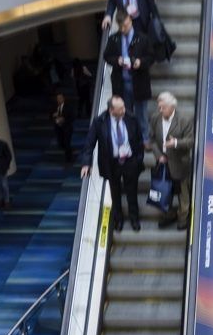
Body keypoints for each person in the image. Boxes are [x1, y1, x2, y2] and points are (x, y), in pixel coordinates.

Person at [81, 96, 144, 232]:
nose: (124, 110)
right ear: (111, 110)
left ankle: (134, 218)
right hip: (111, 163)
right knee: (115, 193)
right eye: (120, 108)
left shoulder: (131, 118)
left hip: (129, 161)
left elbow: (139, 140)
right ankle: (118, 219)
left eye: (123, 107)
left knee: (131, 192)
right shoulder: (100, 122)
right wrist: (87, 163)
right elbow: (89, 143)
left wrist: (139, 158)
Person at [104, 12, 154, 146]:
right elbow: (107, 56)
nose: (123, 29)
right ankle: (131, 138)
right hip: (122, 82)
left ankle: (144, 137)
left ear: (130, 21)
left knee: (141, 112)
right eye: (121, 27)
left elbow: (150, 57)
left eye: (125, 26)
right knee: (125, 113)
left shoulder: (142, 38)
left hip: (139, 81)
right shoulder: (114, 39)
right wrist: (117, 60)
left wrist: (140, 62)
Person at [150, 92, 194, 229]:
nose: (160, 110)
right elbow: (151, 139)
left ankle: (182, 218)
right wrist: (158, 155)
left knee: (183, 193)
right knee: (164, 192)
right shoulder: (155, 118)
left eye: (163, 107)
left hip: (180, 163)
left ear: (171, 107)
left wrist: (175, 143)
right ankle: (168, 214)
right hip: (163, 163)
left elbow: (190, 141)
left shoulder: (184, 120)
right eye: (159, 107)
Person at [52, 92, 75, 162]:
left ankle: (69, 158)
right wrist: (53, 115)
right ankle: (68, 151)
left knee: (67, 143)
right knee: (61, 143)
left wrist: (63, 119)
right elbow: (50, 116)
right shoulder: (54, 107)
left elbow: (72, 117)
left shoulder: (68, 107)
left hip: (67, 128)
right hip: (58, 129)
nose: (59, 100)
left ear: (63, 99)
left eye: (60, 98)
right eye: (58, 98)